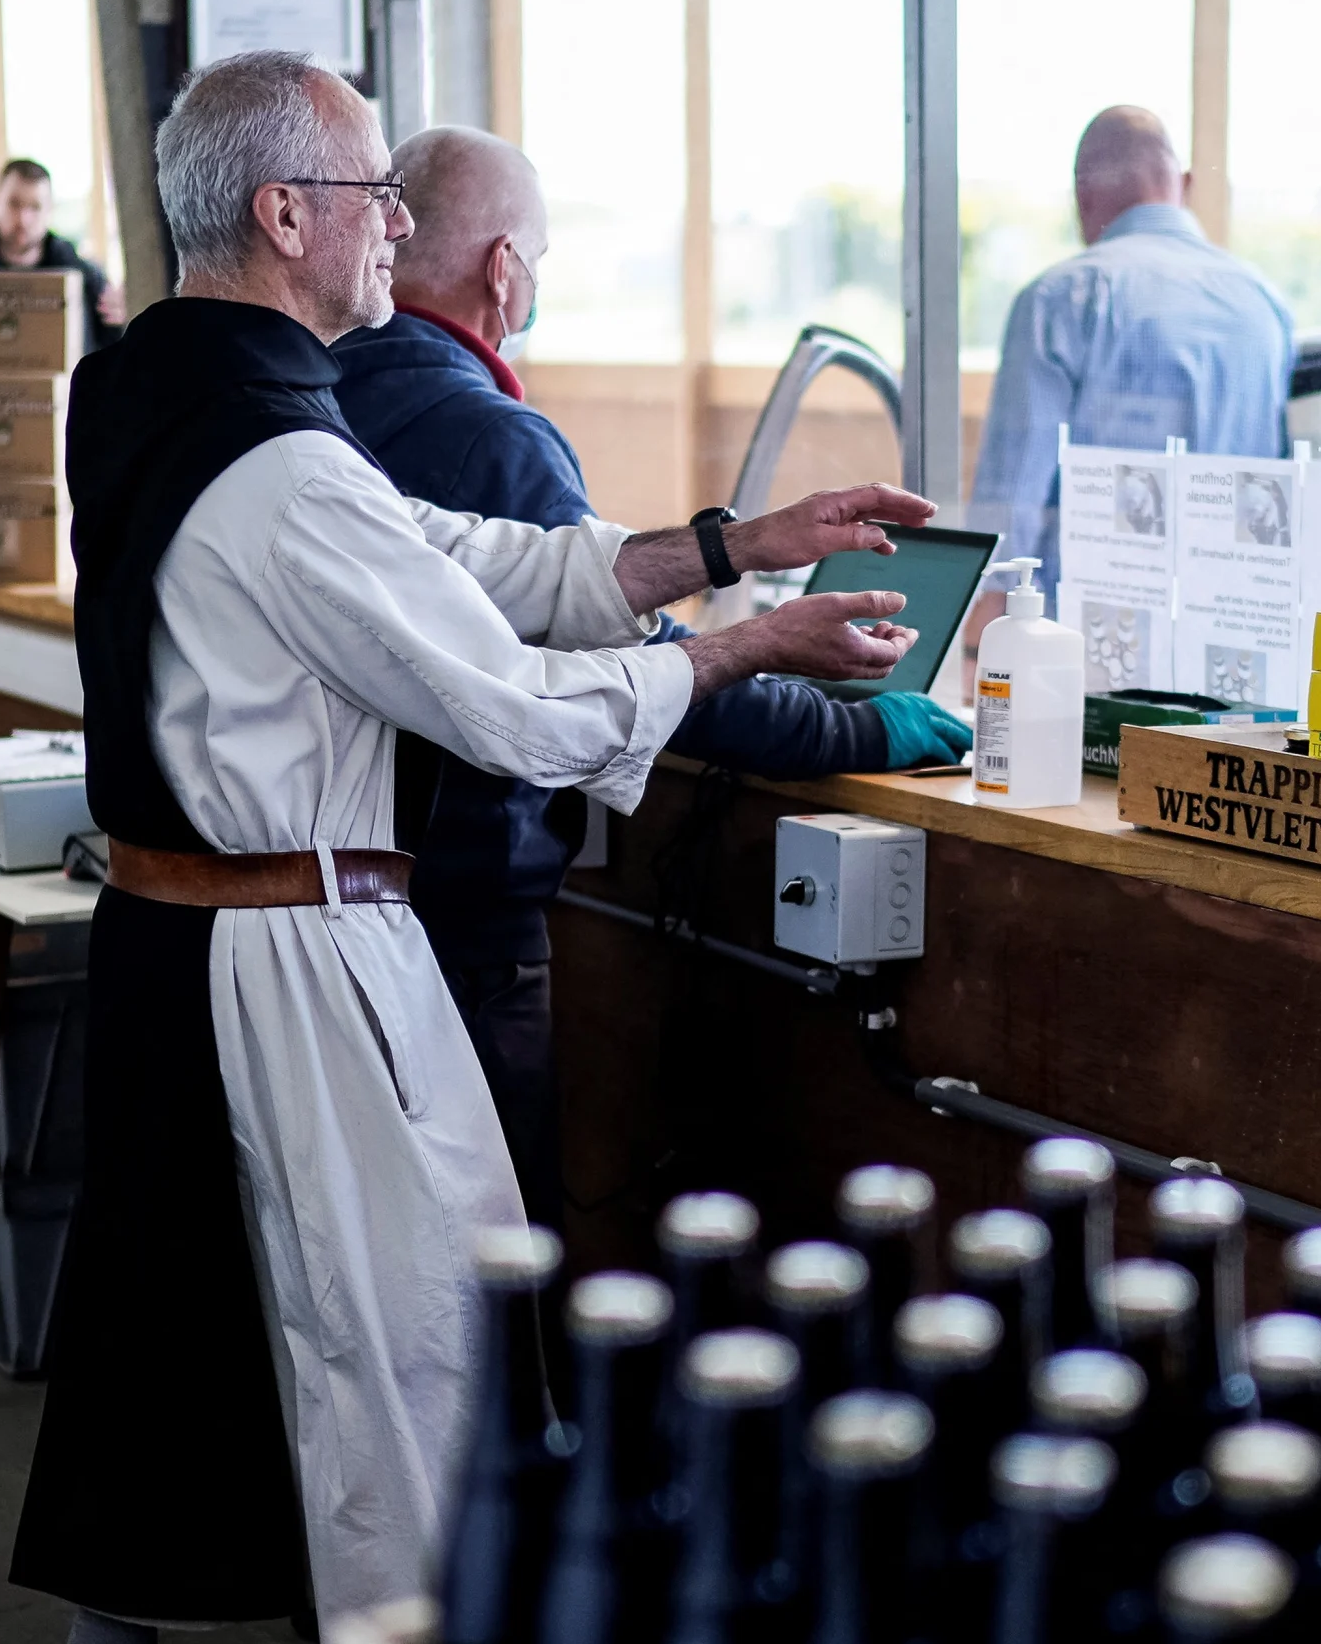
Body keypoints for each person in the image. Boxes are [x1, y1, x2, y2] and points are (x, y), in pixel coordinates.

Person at [5, 50, 931, 1644]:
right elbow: (505, 703)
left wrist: (725, 546)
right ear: (285, 214)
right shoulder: (279, 465)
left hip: (173, 929)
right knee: (403, 1341)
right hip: (287, 943)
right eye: (374, 193)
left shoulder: (159, 390)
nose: (396, 224)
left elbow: (468, 562)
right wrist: (740, 650)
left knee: (173, 1313)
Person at [325, 125, 974, 1226]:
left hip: (336, 902)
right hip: (460, 922)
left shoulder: (309, 402)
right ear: (504, 269)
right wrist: (857, 730)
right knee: (492, 1248)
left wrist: (736, 558)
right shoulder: (494, 438)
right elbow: (625, 658)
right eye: (538, 258)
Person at [959, 106, 1294, 684]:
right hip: (1230, 646)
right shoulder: (1265, 304)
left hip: (1084, 648)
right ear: (1185, 184)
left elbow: (1014, 486)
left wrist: (982, 632)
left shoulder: (1061, 298)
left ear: (1082, 195)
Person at [0, 156, 125, 343]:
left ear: (49, 210)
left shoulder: (82, 276)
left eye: (35, 207)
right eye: (14, 204)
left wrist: (122, 318)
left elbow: (115, 346)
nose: (23, 219)